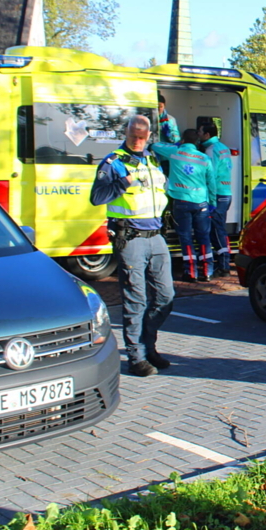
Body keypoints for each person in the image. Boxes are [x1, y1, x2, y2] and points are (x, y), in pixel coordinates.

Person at [90, 115, 175, 378]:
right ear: (126, 134)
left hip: (156, 236)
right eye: (132, 136)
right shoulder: (113, 162)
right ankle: (136, 357)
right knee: (135, 300)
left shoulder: (153, 160)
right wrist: (122, 183)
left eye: (141, 136)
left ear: (148, 136)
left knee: (165, 297)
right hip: (131, 238)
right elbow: (97, 197)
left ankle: (148, 346)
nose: (137, 141)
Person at [152, 129, 217, 283]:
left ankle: (191, 272)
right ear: (197, 142)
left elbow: (155, 145)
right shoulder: (205, 158)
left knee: (186, 237)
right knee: (203, 237)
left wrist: (176, 144)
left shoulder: (175, 152)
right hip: (201, 202)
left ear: (182, 139)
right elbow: (211, 182)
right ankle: (207, 272)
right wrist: (212, 202)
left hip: (181, 202)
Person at [199, 122, 234, 277]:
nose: (198, 135)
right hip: (226, 193)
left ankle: (224, 266)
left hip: (217, 194)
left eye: (200, 132)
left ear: (207, 135)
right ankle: (224, 263)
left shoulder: (211, 150)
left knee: (216, 230)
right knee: (219, 229)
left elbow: (210, 175)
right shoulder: (223, 147)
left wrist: (211, 199)